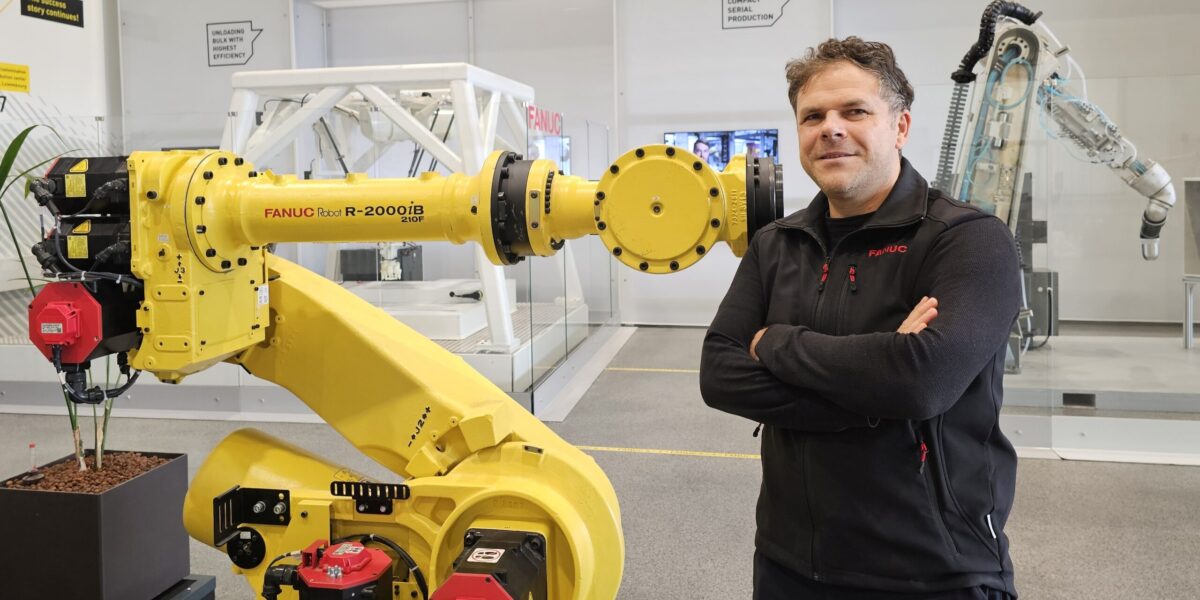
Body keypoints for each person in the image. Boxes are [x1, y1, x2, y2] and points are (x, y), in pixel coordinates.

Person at [699, 37, 1021, 599]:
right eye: (812, 116)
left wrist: (774, 342)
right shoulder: (777, 244)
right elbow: (718, 373)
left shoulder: (967, 241)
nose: (831, 128)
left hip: (933, 568)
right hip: (789, 558)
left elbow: (921, 380)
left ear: (899, 127)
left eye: (855, 111)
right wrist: (876, 392)